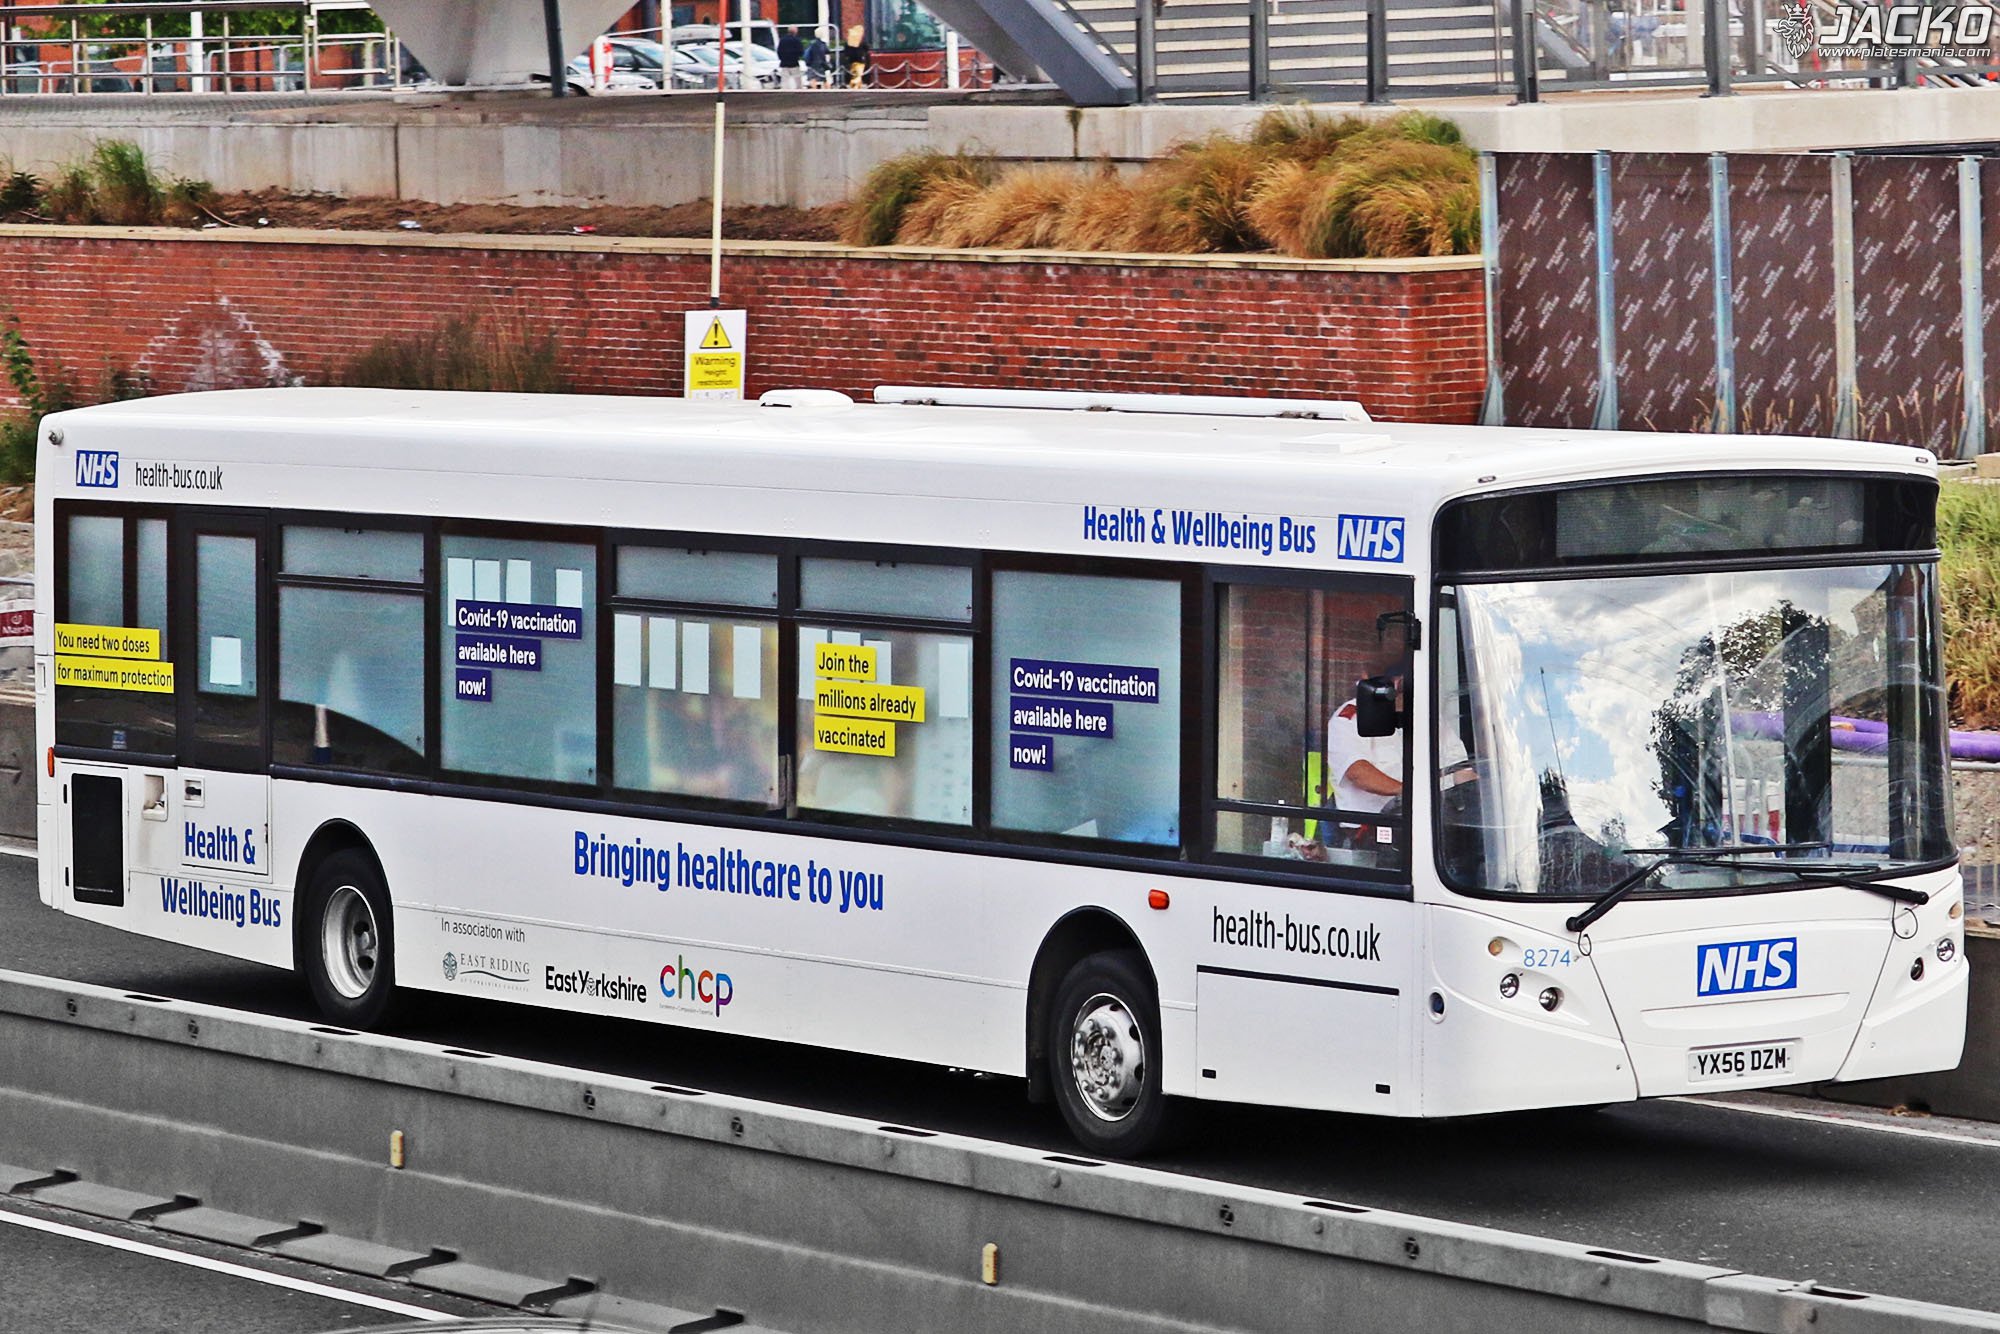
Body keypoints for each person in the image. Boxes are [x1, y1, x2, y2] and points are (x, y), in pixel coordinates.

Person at [1325, 647, 1405, 847]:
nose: (1393, 687)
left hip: (1426, 825)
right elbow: (1358, 772)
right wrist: (1409, 794)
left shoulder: (1430, 718)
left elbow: (1459, 768)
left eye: (1398, 680)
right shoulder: (1348, 718)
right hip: (1368, 833)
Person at [776, 26, 806, 90]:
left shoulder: (782, 40)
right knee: (797, 80)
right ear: (795, 31)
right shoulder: (797, 40)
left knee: (784, 80)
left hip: (784, 63)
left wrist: (782, 58)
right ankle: (799, 92)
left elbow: (779, 51)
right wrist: (797, 57)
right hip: (794, 63)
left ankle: (784, 92)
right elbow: (801, 51)